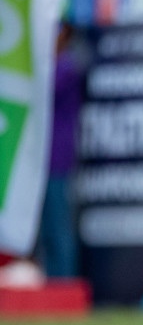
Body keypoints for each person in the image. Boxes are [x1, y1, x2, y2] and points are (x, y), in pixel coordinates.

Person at [37, 24, 83, 278]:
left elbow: (44, 88)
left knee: (59, 226)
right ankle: (50, 284)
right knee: (45, 230)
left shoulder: (66, 67)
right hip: (39, 162)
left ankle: (63, 284)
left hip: (58, 160)